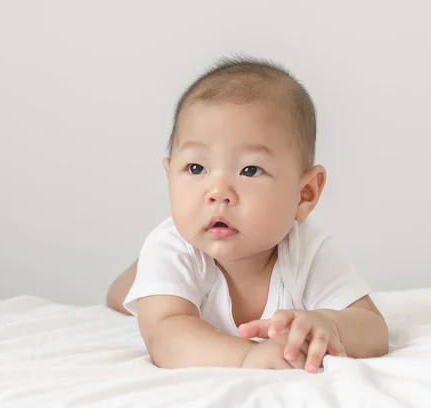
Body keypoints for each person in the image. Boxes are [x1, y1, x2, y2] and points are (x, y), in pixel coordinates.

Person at [107, 57, 389, 372]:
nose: (217, 192)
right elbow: (166, 336)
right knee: (132, 297)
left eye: (249, 170)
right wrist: (247, 357)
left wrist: (331, 324)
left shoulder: (307, 251)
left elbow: (373, 328)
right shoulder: (173, 248)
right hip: (167, 265)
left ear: (304, 194)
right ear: (170, 175)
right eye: (196, 168)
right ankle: (136, 278)